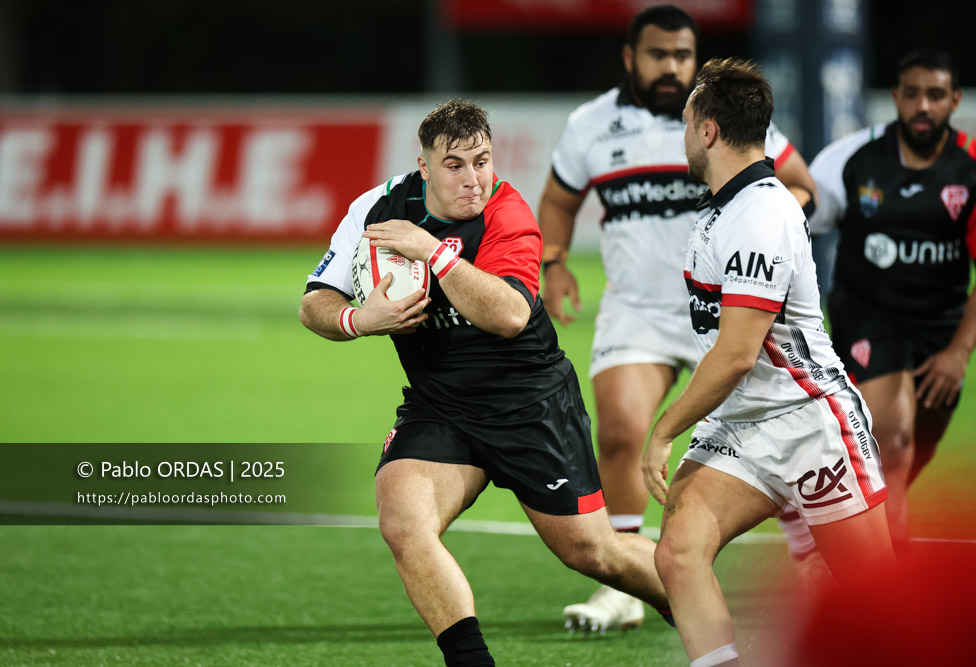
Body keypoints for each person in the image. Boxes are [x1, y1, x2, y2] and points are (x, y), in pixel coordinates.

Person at [299, 99, 672, 667]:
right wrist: (359, 319)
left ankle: (695, 604)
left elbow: (508, 316)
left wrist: (433, 253)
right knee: (404, 521)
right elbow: (314, 303)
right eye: (455, 165)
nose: (473, 179)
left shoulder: (509, 214)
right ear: (423, 167)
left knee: (593, 552)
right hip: (441, 406)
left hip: (530, 404)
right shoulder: (377, 209)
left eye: (482, 161)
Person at [538, 4, 817, 633]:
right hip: (637, 308)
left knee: (777, 431)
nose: (672, 67)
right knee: (618, 431)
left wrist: (769, 226)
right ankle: (625, 584)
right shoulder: (591, 125)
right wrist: (554, 262)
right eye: (659, 55)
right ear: (630, 59)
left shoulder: (727, 118)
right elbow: (557, 200)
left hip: (729, 313)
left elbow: (802, 185)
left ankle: (810, 560)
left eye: (683, 56)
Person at [640, 59, 897, 667]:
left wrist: (665, 430)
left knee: (877, 606)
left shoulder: (761, 212)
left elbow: (735, 355)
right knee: (678, 551)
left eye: (685, 123)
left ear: (707, 131)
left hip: (811, 425)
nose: (682, 136)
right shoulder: (721, 206)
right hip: (742, 428)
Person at [782, 49, 976, 568]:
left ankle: (824, 518)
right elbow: (793, 226)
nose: (922, 105)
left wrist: (959, 351)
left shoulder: (971, 168)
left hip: (941, 328)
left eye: (935, 95)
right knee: (891, 442)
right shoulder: (850, 160)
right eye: (911, 93)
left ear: (954, 101)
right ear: (894, 97)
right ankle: (885, 587)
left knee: (906, 462)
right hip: (869, 316)